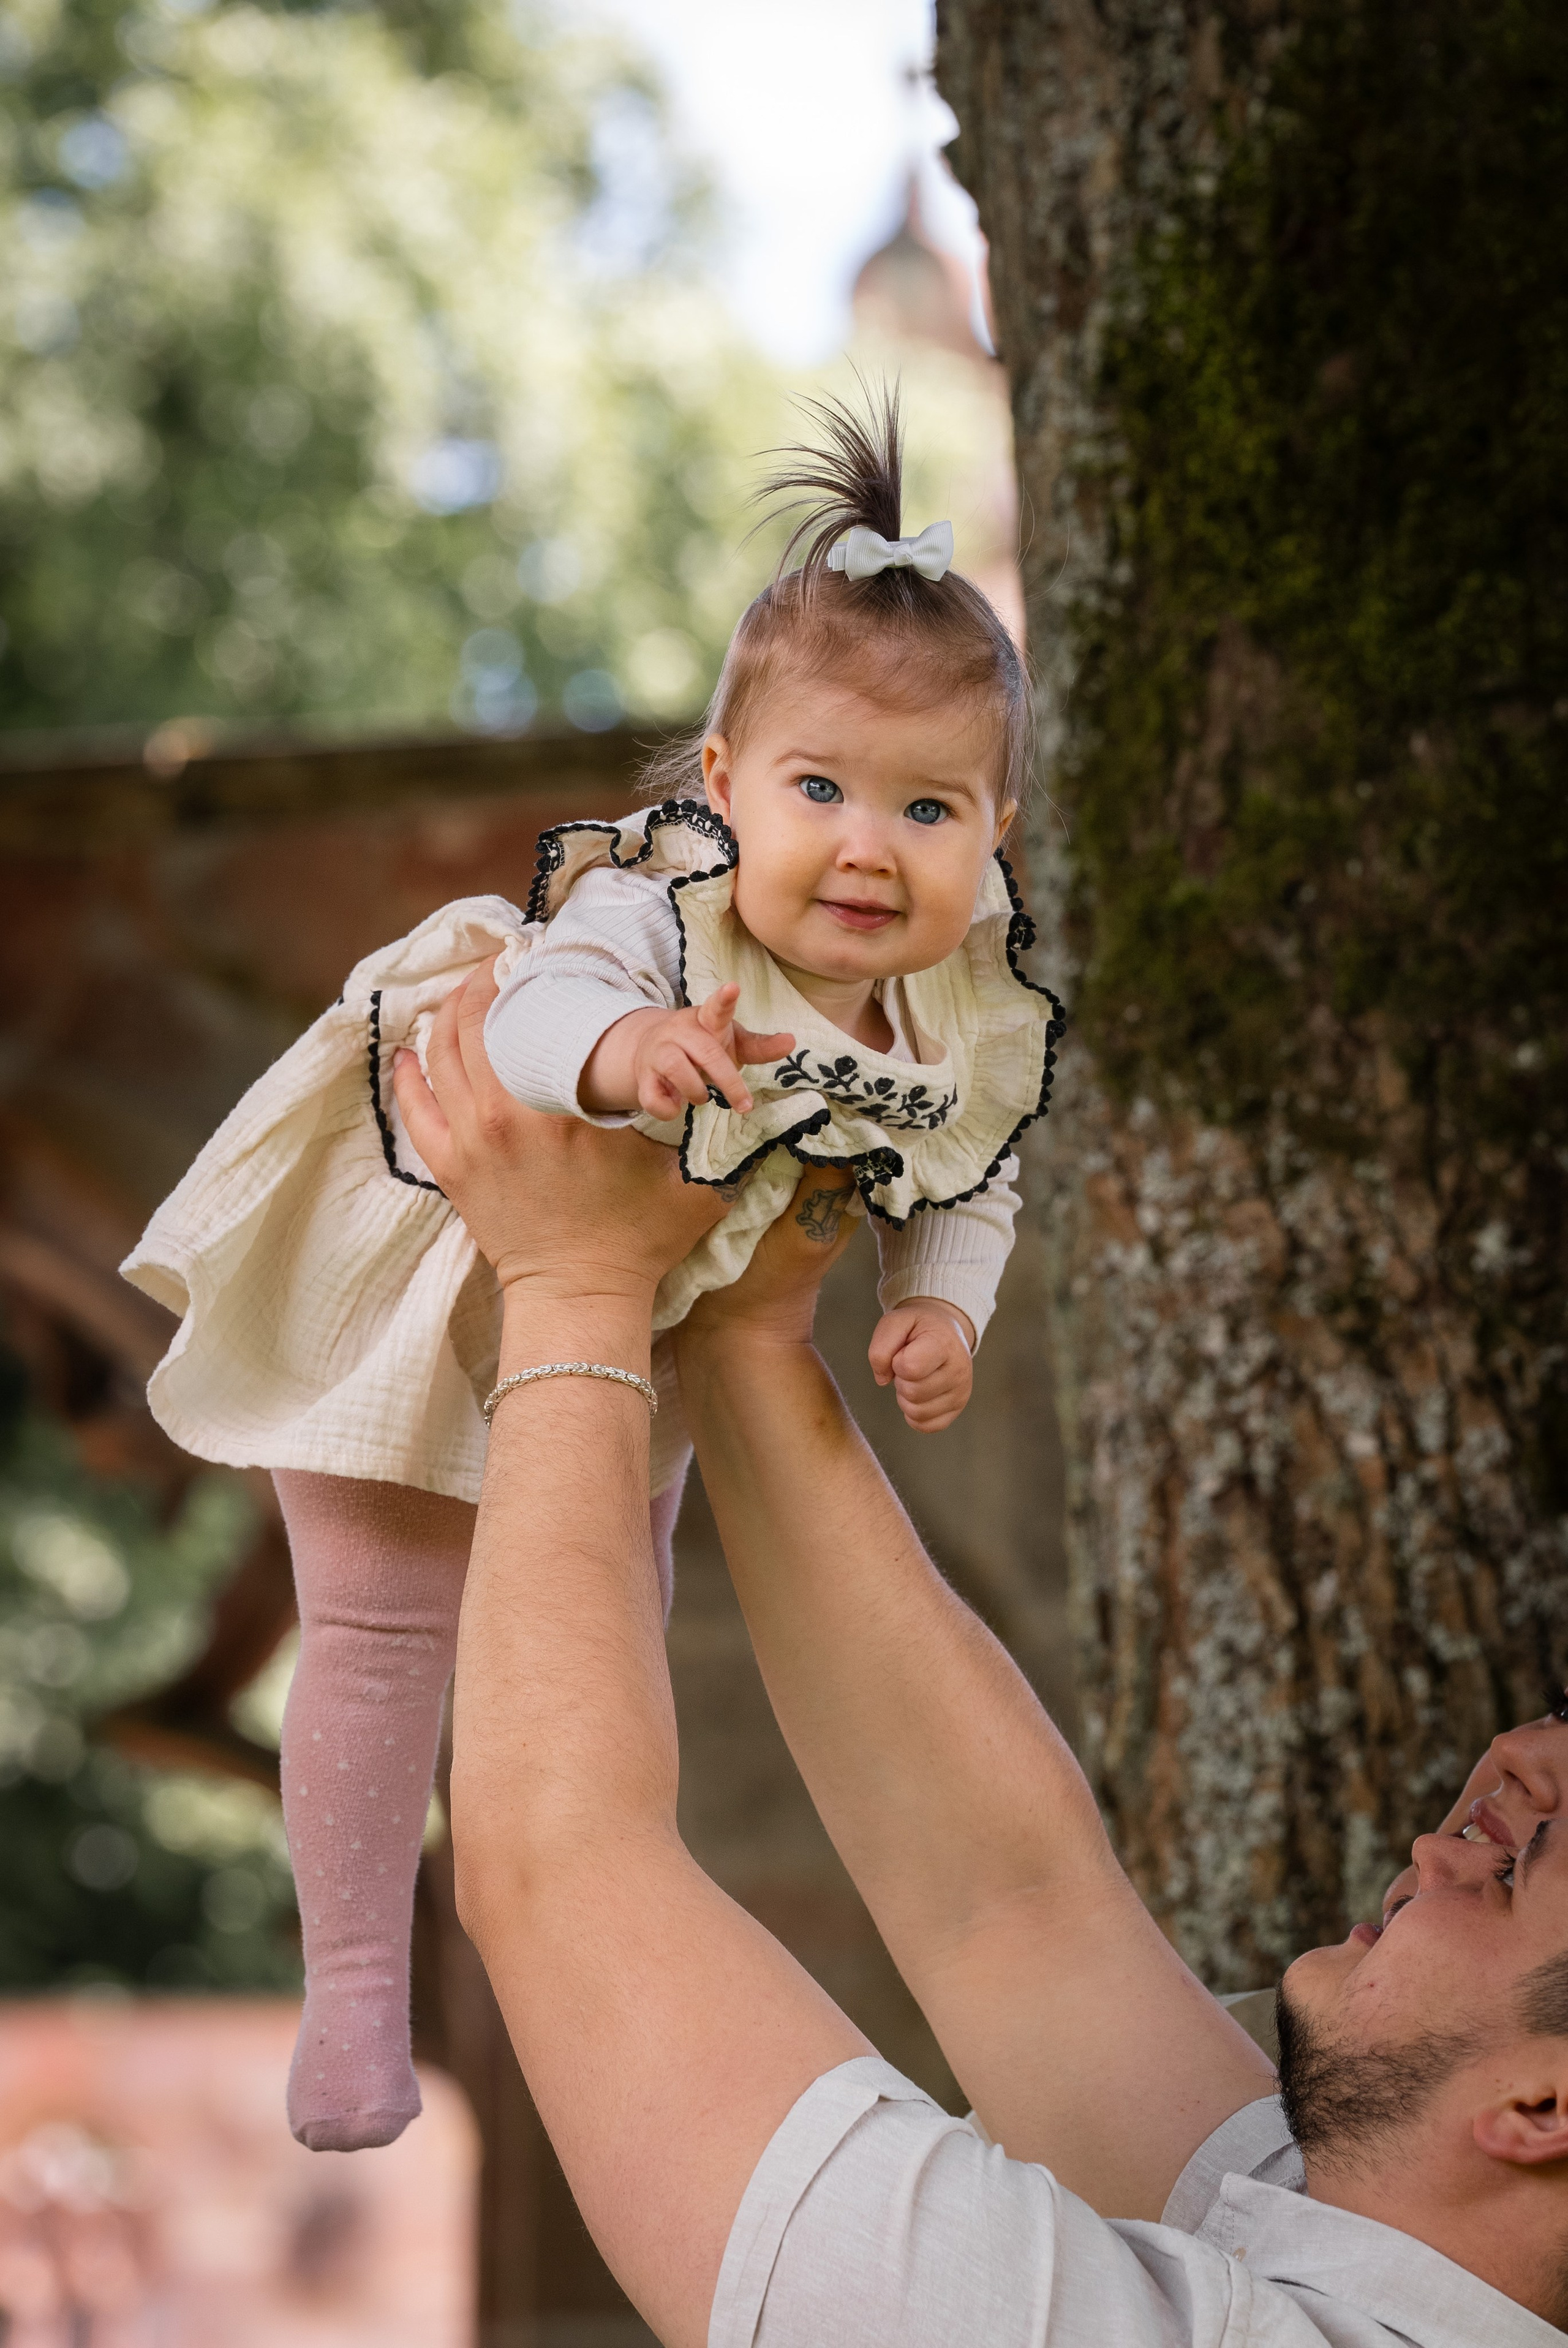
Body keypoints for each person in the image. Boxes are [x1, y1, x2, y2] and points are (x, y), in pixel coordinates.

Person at [118, 386, 1063, 2152]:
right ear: (721, 787)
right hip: (425, 1271)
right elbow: (537, 1016)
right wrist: (626, 1053)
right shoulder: (657, 905)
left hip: (632, 1334)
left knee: (599, 1637)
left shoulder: (952, 1009)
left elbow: (969, 1168)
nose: (868, 844)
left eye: (928, 807)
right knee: (381, 1628)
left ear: (994, 830)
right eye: (819, 789)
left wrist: (939, 1295)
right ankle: (352, 1991)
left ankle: (571, 1975)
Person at [394, 963, 1568, 2348]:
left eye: (1525, 1859)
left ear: (1542, 2107)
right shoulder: (1364, 2256)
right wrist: (746, 1325)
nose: (1505, 1766)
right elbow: (1010, 1913)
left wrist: (573, 1278)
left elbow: (562, 1869)